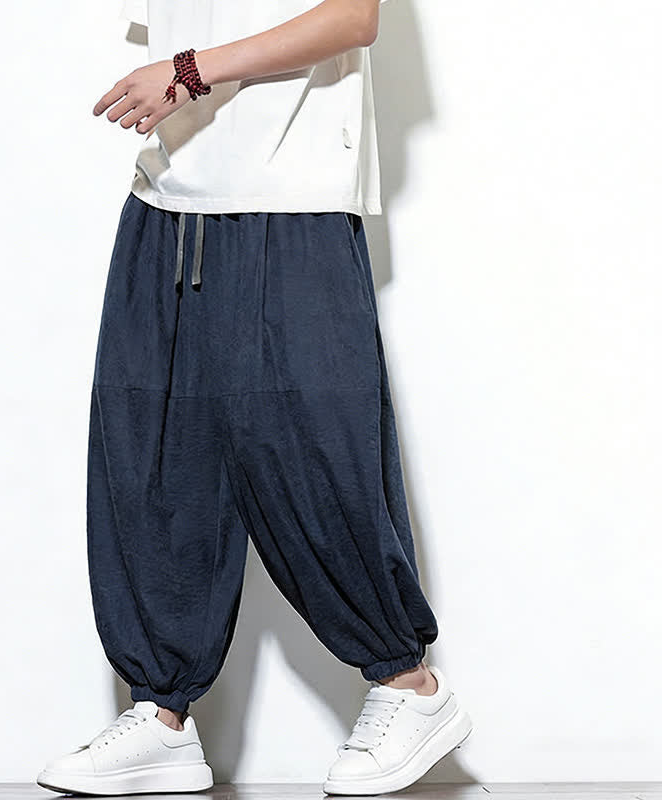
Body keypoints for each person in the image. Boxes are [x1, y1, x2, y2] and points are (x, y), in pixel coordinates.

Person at [37, 0, 472, 795]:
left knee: (312, 452)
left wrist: (188, 70)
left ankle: (410, 687)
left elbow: (352, 17)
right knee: (154, 461)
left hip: (291, 201)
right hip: (167, 197)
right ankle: (162, 716)